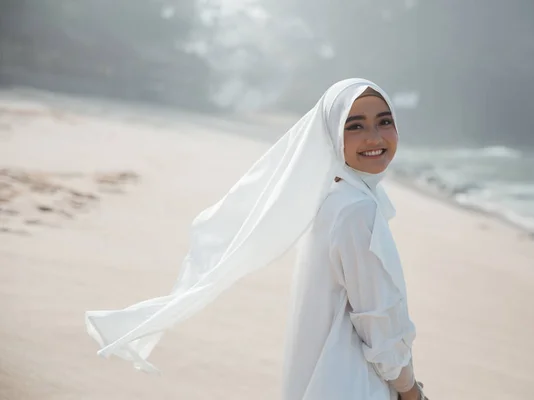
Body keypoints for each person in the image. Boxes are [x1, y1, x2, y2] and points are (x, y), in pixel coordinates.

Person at [85, 78, 427, 400]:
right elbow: (380, 321)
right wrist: (411, 390)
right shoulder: (356, 211)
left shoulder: (332, 198)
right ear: (332, 135)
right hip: (354, 384)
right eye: (354, 126)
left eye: (384, 122)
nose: (374, 137)